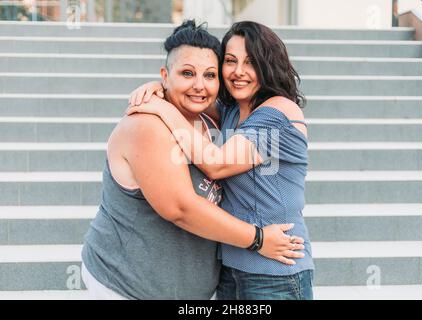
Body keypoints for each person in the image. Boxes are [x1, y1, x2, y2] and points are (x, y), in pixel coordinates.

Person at [81, 20, 304, 300]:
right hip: (126, 288)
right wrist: (257, 238)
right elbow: (180, 208)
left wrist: (162, 96)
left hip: (259, 272)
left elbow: (218, 162)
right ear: (166, 74)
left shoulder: (219, 118)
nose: (200, 86)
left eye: (209, 75)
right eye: (187, 73)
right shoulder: (146, 127)